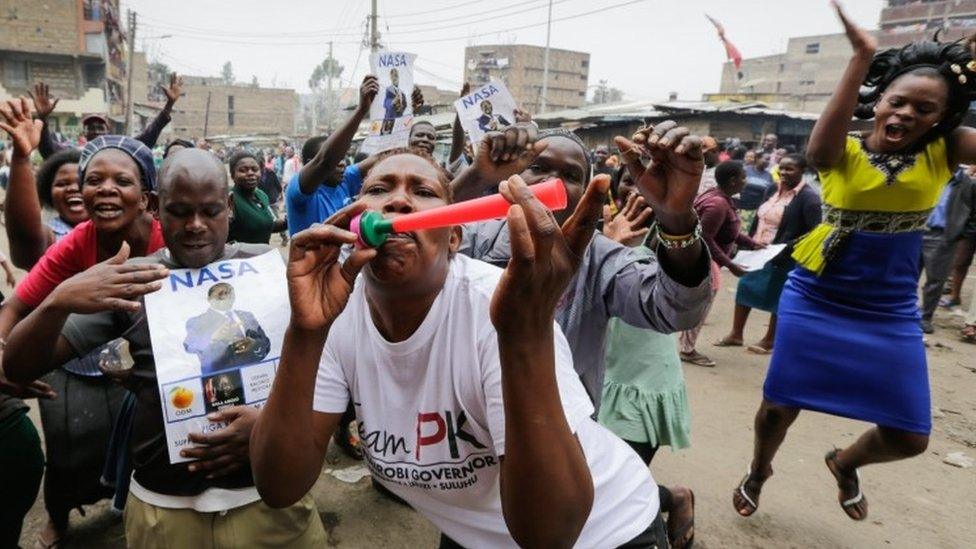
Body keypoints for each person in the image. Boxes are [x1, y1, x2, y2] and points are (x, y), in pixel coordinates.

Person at [251, 149, 665, 548]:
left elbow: (550, 536)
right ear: (352, 222)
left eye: (424, 192)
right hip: (474, 533)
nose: (398, 200)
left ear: (453, 238)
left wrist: (526, 336)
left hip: (605, 532)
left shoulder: (496, 307)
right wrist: (306, 333)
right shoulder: (339, 310)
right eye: (379, 189)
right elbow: (279, 486)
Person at [2, 149, 327, 548]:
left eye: (210, 211)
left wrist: (267, 429)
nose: (195, 226)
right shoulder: (133, 282)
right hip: (165, 511)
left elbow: (320, 371)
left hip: (268, 502)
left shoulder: (270, 269)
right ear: (155, 207)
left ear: (228, 207)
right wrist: (59, 301)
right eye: (179, 211)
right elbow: (18, 365)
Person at [734, 2, 976, 522]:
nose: (907, 114)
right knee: (779, 407)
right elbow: (818, 155)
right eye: (898, 101)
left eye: (925, 110)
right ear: (880, 98)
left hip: (888, 308)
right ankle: (759, 470)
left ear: (943, 118)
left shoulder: (948, 150)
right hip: (817, 293)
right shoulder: (839, 150)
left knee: (910, 436)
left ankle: (845, 463)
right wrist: (860, 57)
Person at [450, 122, 711, 548]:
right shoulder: (470, 241)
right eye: (537, 167)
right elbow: (386, 247)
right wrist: (475, 178)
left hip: (554, 454)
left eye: (571, 175)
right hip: (465, 461)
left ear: (589, 195)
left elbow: (675, 307)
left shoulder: (601, 259)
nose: (552, 182)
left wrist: (677, 217)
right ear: (510, 179)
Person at [599, 182, 696, 549]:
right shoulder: (594, 223)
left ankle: (675, 498)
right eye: (629, 177)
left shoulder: (673, 237)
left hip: (640, 379)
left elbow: (684, 297)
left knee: (613, 491)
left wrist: (614, 251)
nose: (634, 188)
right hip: (595, 373)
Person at [716, 154, 822, 353]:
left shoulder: (809, 199)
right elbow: (760, 216)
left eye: (790, 169)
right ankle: (736, 334)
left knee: (778, 296)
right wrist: (748, 242)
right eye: (781, 168)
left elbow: (815, 232)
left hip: (783, 256)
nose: (783, 172)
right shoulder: (772, 189)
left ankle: (769, 340)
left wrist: (787, 247)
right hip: (758, 249)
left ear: (802, 171)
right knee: (745, 288)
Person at [680, 160, 762, 367]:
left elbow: (730, 230)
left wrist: (753, 244)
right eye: (743, 177)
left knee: (697, 304)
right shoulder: (717, 204)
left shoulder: (719, 198)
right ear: (733, 181)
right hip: (705, 261)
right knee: (701, 306)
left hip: (707, 261)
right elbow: (706, 238)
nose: (746, 181)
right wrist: (730, 264)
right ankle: (687, 349)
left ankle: (685, 344)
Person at [287, 76, 381, 236]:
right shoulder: (298, 191)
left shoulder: (344, 180)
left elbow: (382, 157)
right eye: (336, 160)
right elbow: (326, 161)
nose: (342, 164)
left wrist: (404, 110)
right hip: (310, 261)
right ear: (311, 164)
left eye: (343, 158)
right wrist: (361, 111)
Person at [0, 98, 88, 269]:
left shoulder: (114, 229)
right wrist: (21, 157)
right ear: (48, 193)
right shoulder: (51, 235)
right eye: (62, 184)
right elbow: (25, 237)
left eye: (83, 181)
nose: (72, 188)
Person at [31, 74, 184, 159]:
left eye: (99, 126)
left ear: (107, 130)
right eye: (91, 127)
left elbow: (147, 138)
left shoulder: (120, 148)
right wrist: (43, 118)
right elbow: (48, 150)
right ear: (85, 132)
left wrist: (169, 105)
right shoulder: (77, 153)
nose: (96, 130)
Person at [920, 166, 973, 332]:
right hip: (916, 230)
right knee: (905, 276)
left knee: (935, 281)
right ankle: (900, 313)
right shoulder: (927, 174)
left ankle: (925, 317)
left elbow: (972, 213)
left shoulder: (966, 184)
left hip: (943, 236)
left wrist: (958, 234)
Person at [183, 282, 271, 374]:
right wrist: (213, 338)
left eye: (228, 292)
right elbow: (189, 346)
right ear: (209, 299)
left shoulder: (247, 316)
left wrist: (255, 345)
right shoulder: (197, 321)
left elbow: (265, 342)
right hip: (223, 381)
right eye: (220, 293)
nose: (225, 296)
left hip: (255, 376)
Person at [227, 151, 287, 244]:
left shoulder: (261, 195)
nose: (250, 173)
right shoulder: (230, 200)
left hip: (262, 256)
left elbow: (270, 224)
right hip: (240, 257)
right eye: (243, 170)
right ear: (232, 175)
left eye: (255, 169)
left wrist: (289, 219)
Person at [740, 150, 775, 227]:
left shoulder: (769, 176)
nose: (767, 161)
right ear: (757, 158)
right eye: (765, 159)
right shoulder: (745, 170)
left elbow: (769, 194)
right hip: (739, 207)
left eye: (769, 160)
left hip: (755, 210)